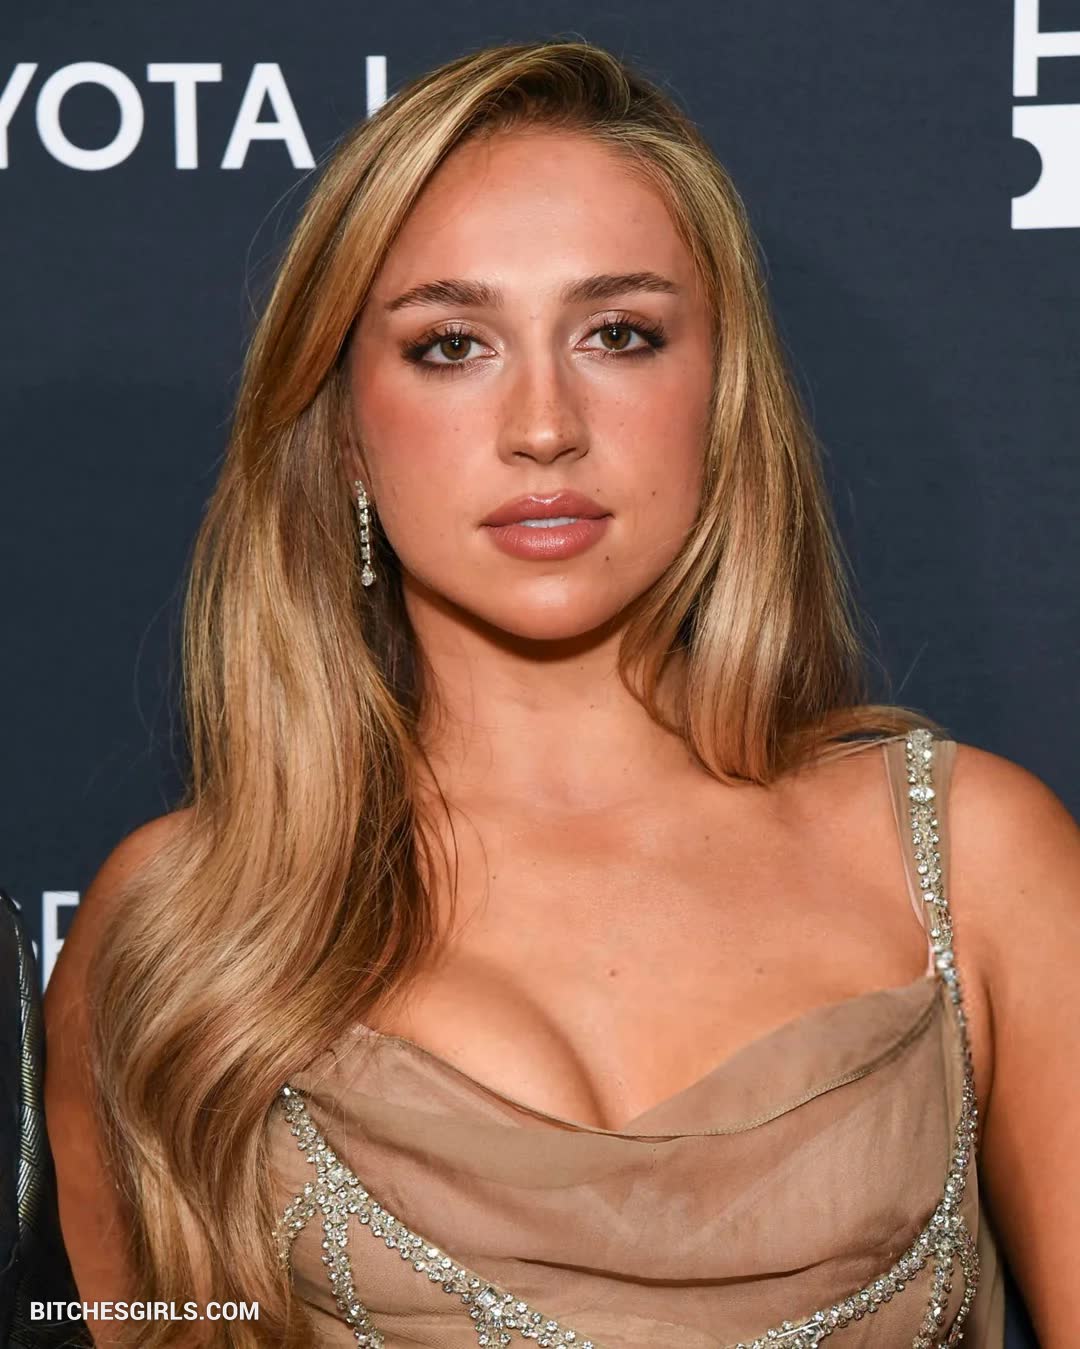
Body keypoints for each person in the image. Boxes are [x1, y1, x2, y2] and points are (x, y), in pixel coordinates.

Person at [41, 38, 1077, 1349]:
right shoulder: (186, 929)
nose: (544, 426)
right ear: (345, 425)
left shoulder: (973, 861)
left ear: (720, 396)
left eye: (619, 335)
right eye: (452, 344)